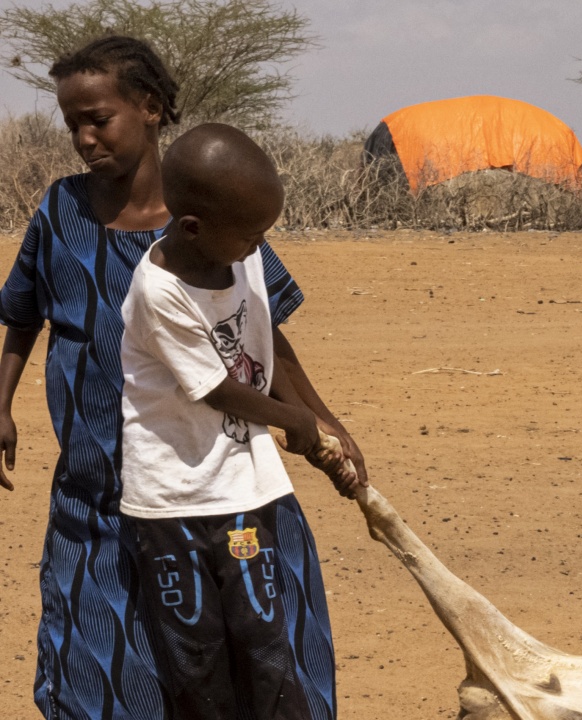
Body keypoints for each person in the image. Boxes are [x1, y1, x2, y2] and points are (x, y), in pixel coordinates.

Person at [0, 35, 365, 719]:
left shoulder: (222, 219)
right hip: (98, 490)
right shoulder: (60, 214)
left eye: (99, 119)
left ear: (152, 107)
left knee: (253, 664)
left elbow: (267, 336)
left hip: (220, 486)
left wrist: (323, 421)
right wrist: (3, 401)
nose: (83, 138)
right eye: (71, 122)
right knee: (101, 674)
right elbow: (23, 312)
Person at [119, 122, 360, 719]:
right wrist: (292, 421)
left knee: (264, 643)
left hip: (241, 493)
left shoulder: (240, 252)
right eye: (252, 235)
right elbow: (217, 389)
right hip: (173, 502)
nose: (260, 247)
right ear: (195, 227)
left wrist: (324, 419)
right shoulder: (159, 290)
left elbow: (263, 333)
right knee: (196, 658)